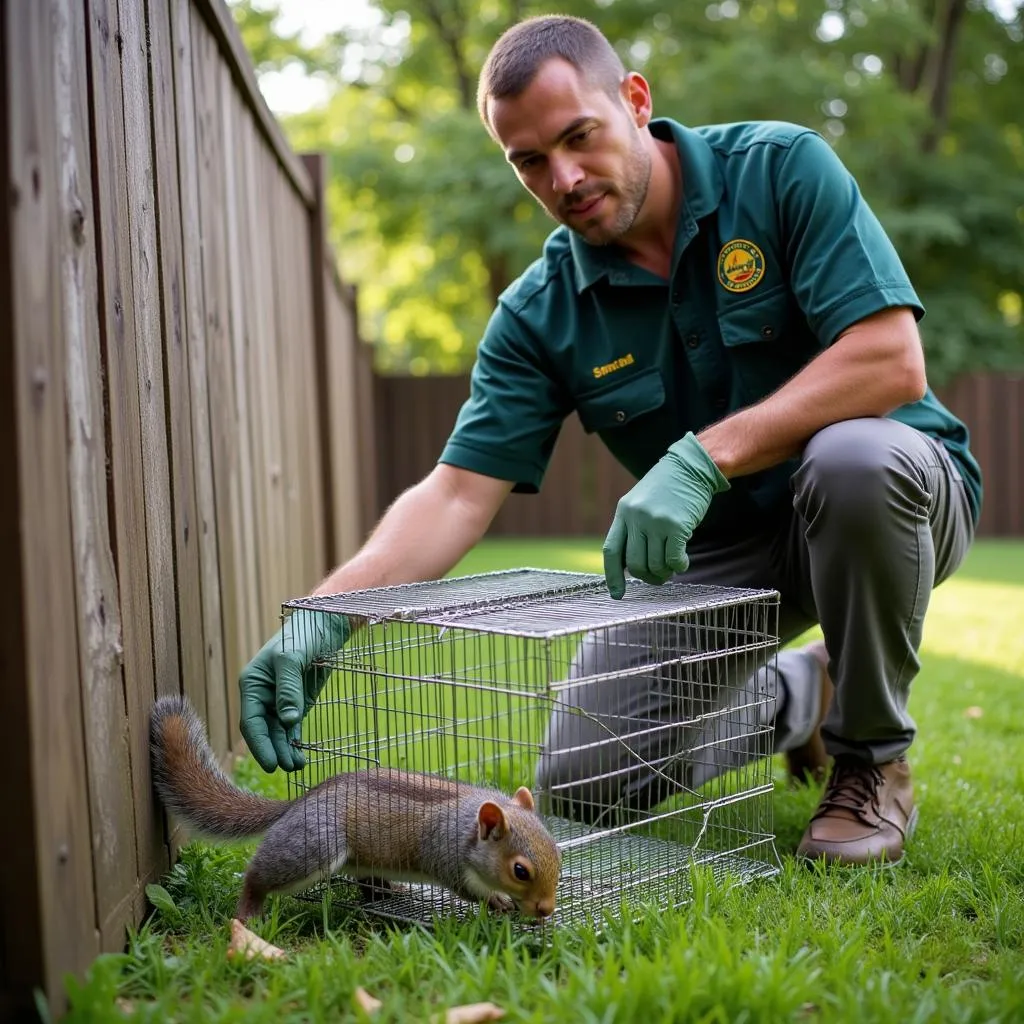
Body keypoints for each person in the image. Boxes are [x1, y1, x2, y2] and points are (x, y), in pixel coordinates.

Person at [238, 14, 981, 867]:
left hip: (891, 503)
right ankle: (798, 697)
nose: (564, 176)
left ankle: (871, 761)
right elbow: (453, 494)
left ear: (634, 100)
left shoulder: (779, 170)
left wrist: (704, 456)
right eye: (529, 161)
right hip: (722, 559)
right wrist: (324, 620)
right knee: (585, 785)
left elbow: (891, 360)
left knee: (853, 458)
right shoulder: (539, 311)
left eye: (578, 136)